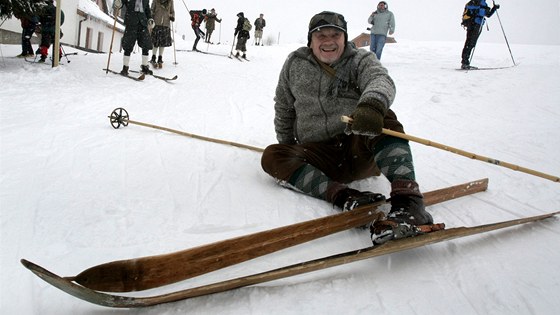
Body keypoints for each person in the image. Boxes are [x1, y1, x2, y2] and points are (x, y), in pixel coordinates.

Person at [261, 11, 433, 235]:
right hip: (321, 156)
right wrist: (288, 148)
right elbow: (284, 106)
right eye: (321, 35)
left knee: (385, 116)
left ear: (344, 38)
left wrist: (371, 106)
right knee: (273, 155)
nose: (329, 41)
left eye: (335, 34)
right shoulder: (295, 64)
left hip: (359, 148)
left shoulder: (360, 60)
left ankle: (409, 203)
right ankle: (345, 197)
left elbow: (380, 80)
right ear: (310, 41)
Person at [113, 0, 154, 75]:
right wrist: (118, 3)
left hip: (143, 23)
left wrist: (150, 18)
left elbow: (147, 9)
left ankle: (144, 66)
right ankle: (125, 67)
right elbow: (121, 3)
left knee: (146, 44)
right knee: (128, 45)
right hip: (131, 23)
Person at [460, 0, 500, 69]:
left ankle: (465, 62)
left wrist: (494, 8)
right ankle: (465, 62)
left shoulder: (483, 2)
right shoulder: (476, 1)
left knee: (470, 43)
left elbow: (488, 15)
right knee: (470, 43)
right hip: (473, 23)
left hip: (476, 24)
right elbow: (473, 8)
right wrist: (483, 10)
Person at [149, 0, 175, 69]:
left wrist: (172, 16)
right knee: (155, 42)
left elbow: (172, 11)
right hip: (156, 23)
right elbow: (152, 9)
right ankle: (153, 57)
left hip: (166, 24)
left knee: (162, 43)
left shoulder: (170, 1)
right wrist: (150, 17)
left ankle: (160, 57)